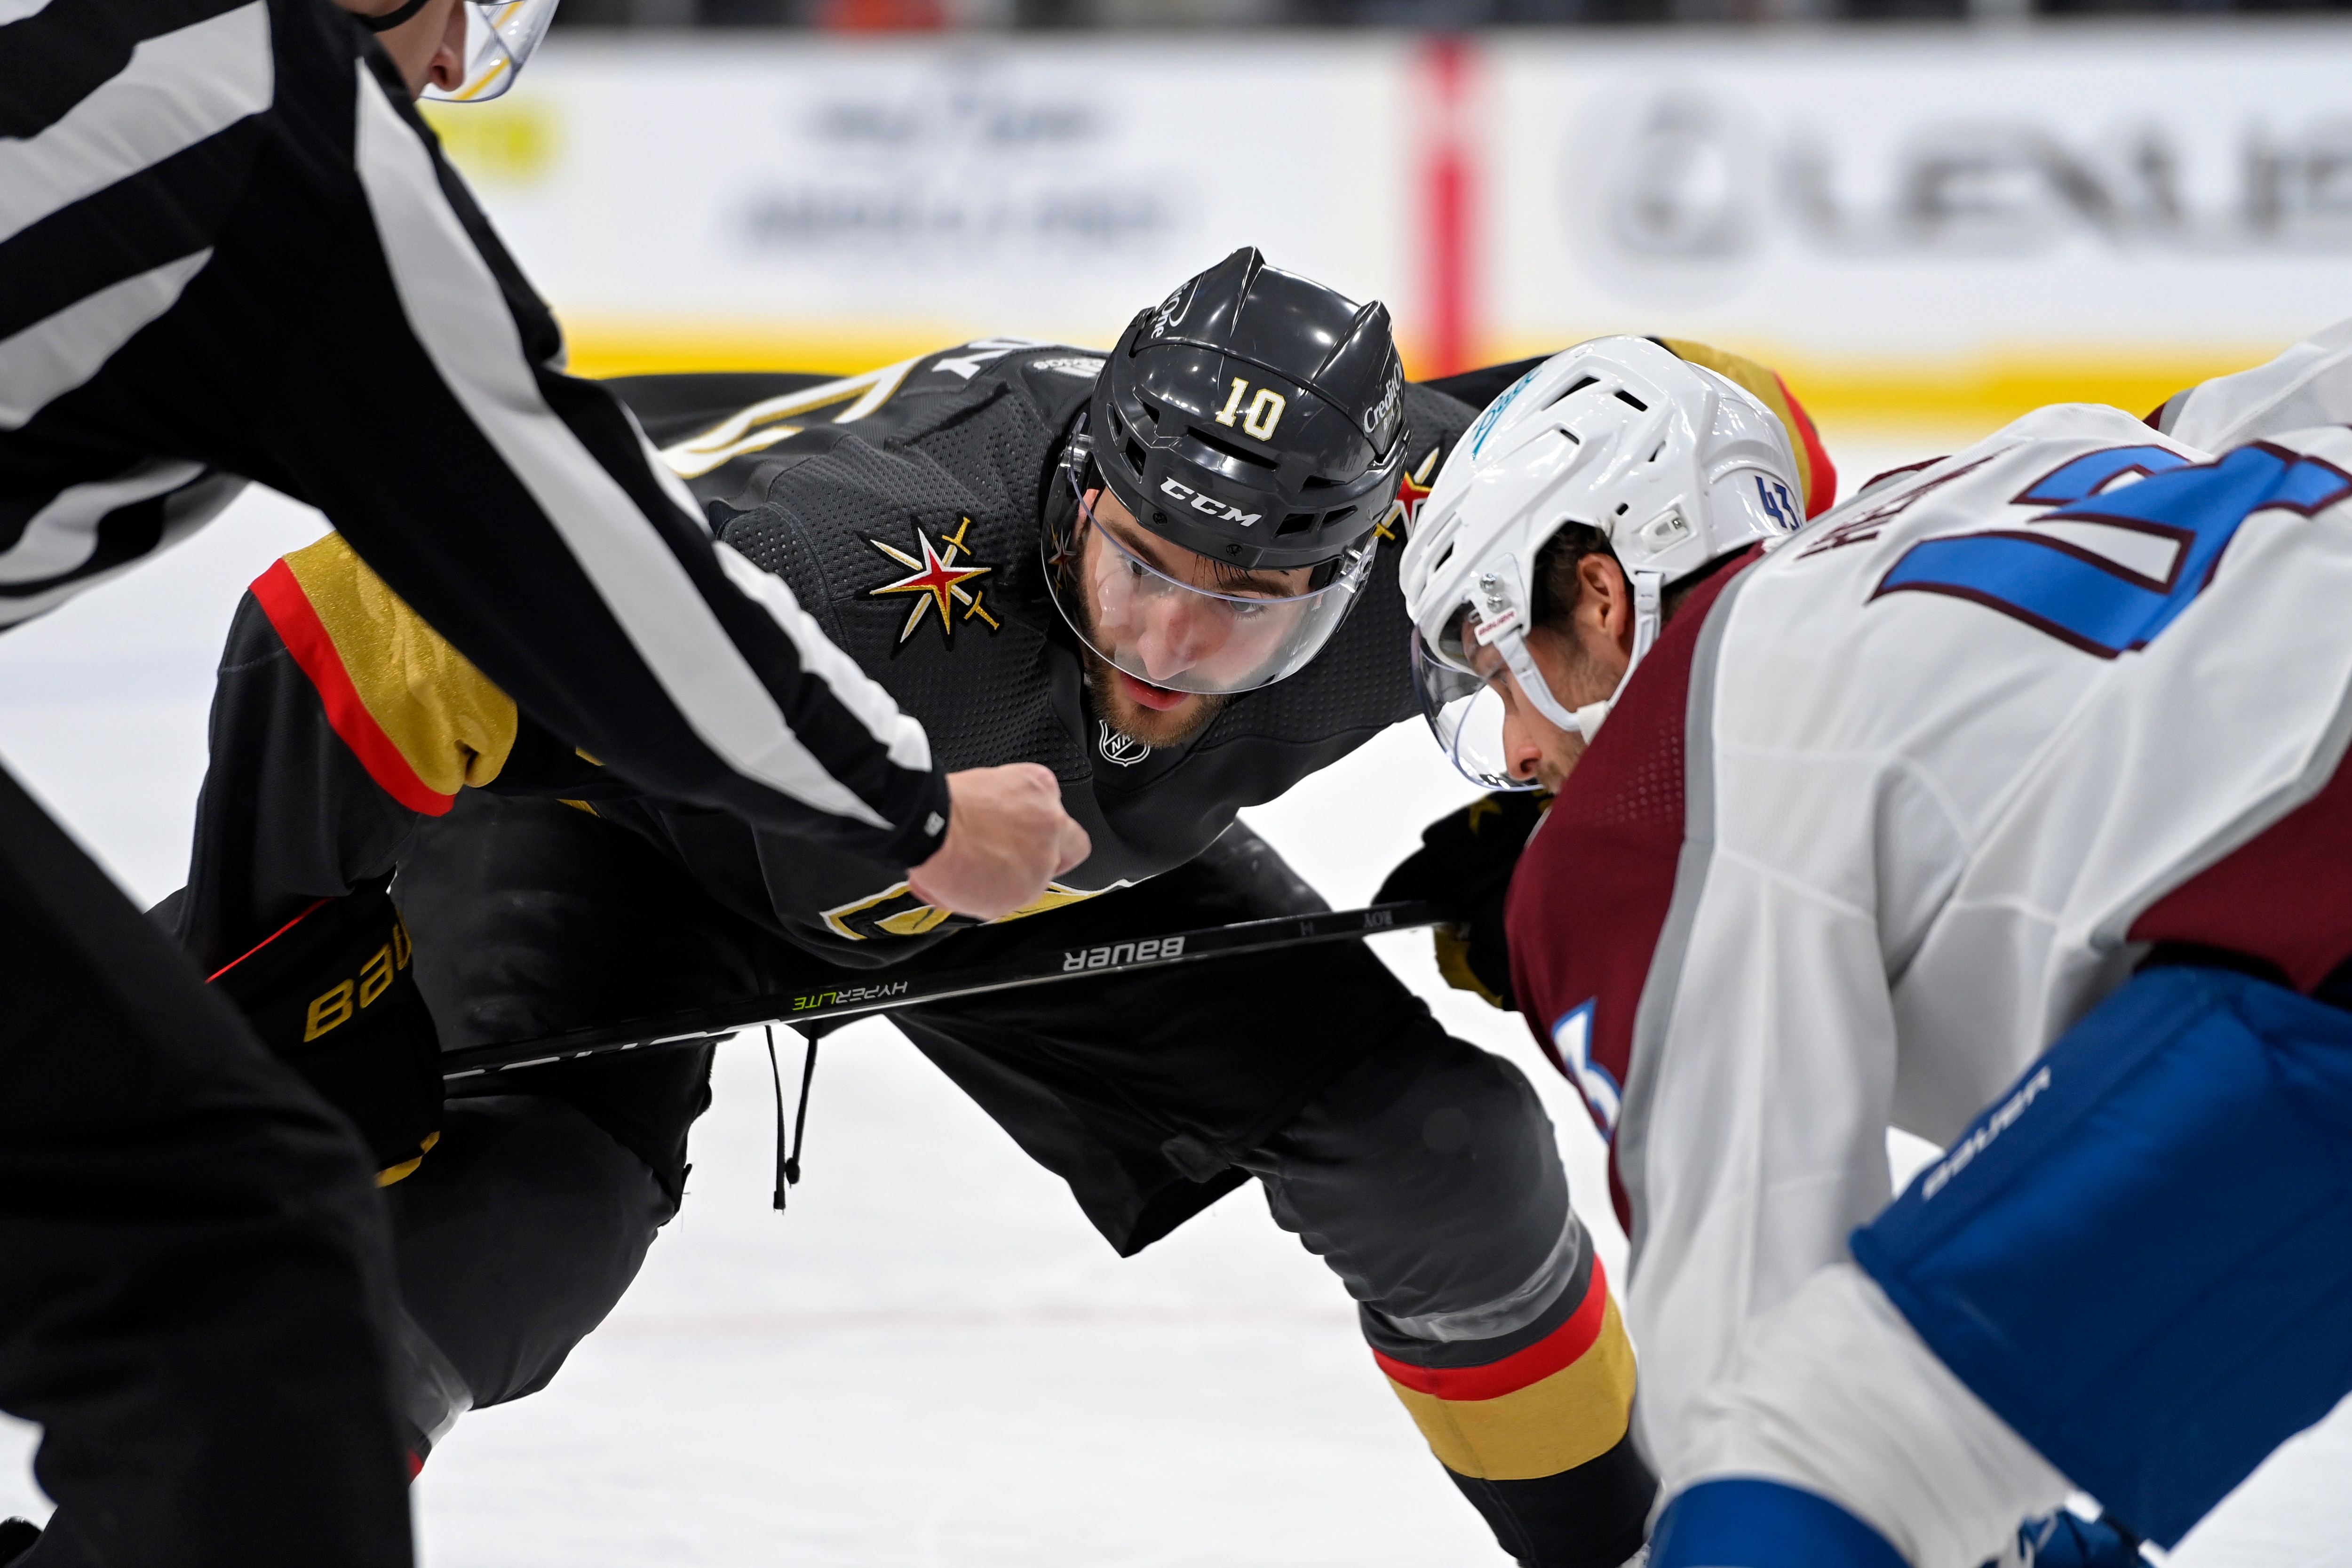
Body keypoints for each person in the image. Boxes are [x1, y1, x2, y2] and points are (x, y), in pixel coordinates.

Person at [159, 249, 1831, 1565]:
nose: (1167, 659)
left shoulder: (1445, 529)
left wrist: (1570, 817)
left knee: (1449, 1159)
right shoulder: (832, 558)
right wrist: (291, 966)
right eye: (1139, 571)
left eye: (1247, 613)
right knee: (507, 1236)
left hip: (1022, 864)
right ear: (1078, 493)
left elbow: (1729, 426)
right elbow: (347, 620)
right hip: (624, 816)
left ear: (1365, 565)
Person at [0, 0, 1083, 1560]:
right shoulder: (288, 133)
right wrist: (906, 811)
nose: (451, 70)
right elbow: (585, 564)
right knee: (251, 1277)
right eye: (472, 15)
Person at [1393, 323, 2352, 1567]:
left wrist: (1594, 903)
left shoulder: (1654, 791)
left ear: (1599, 587)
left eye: (1500, 671)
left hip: (2312, 940)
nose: (1518, 754)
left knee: (1785, 1460)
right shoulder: (2037, 458)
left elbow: (1744, 1349)